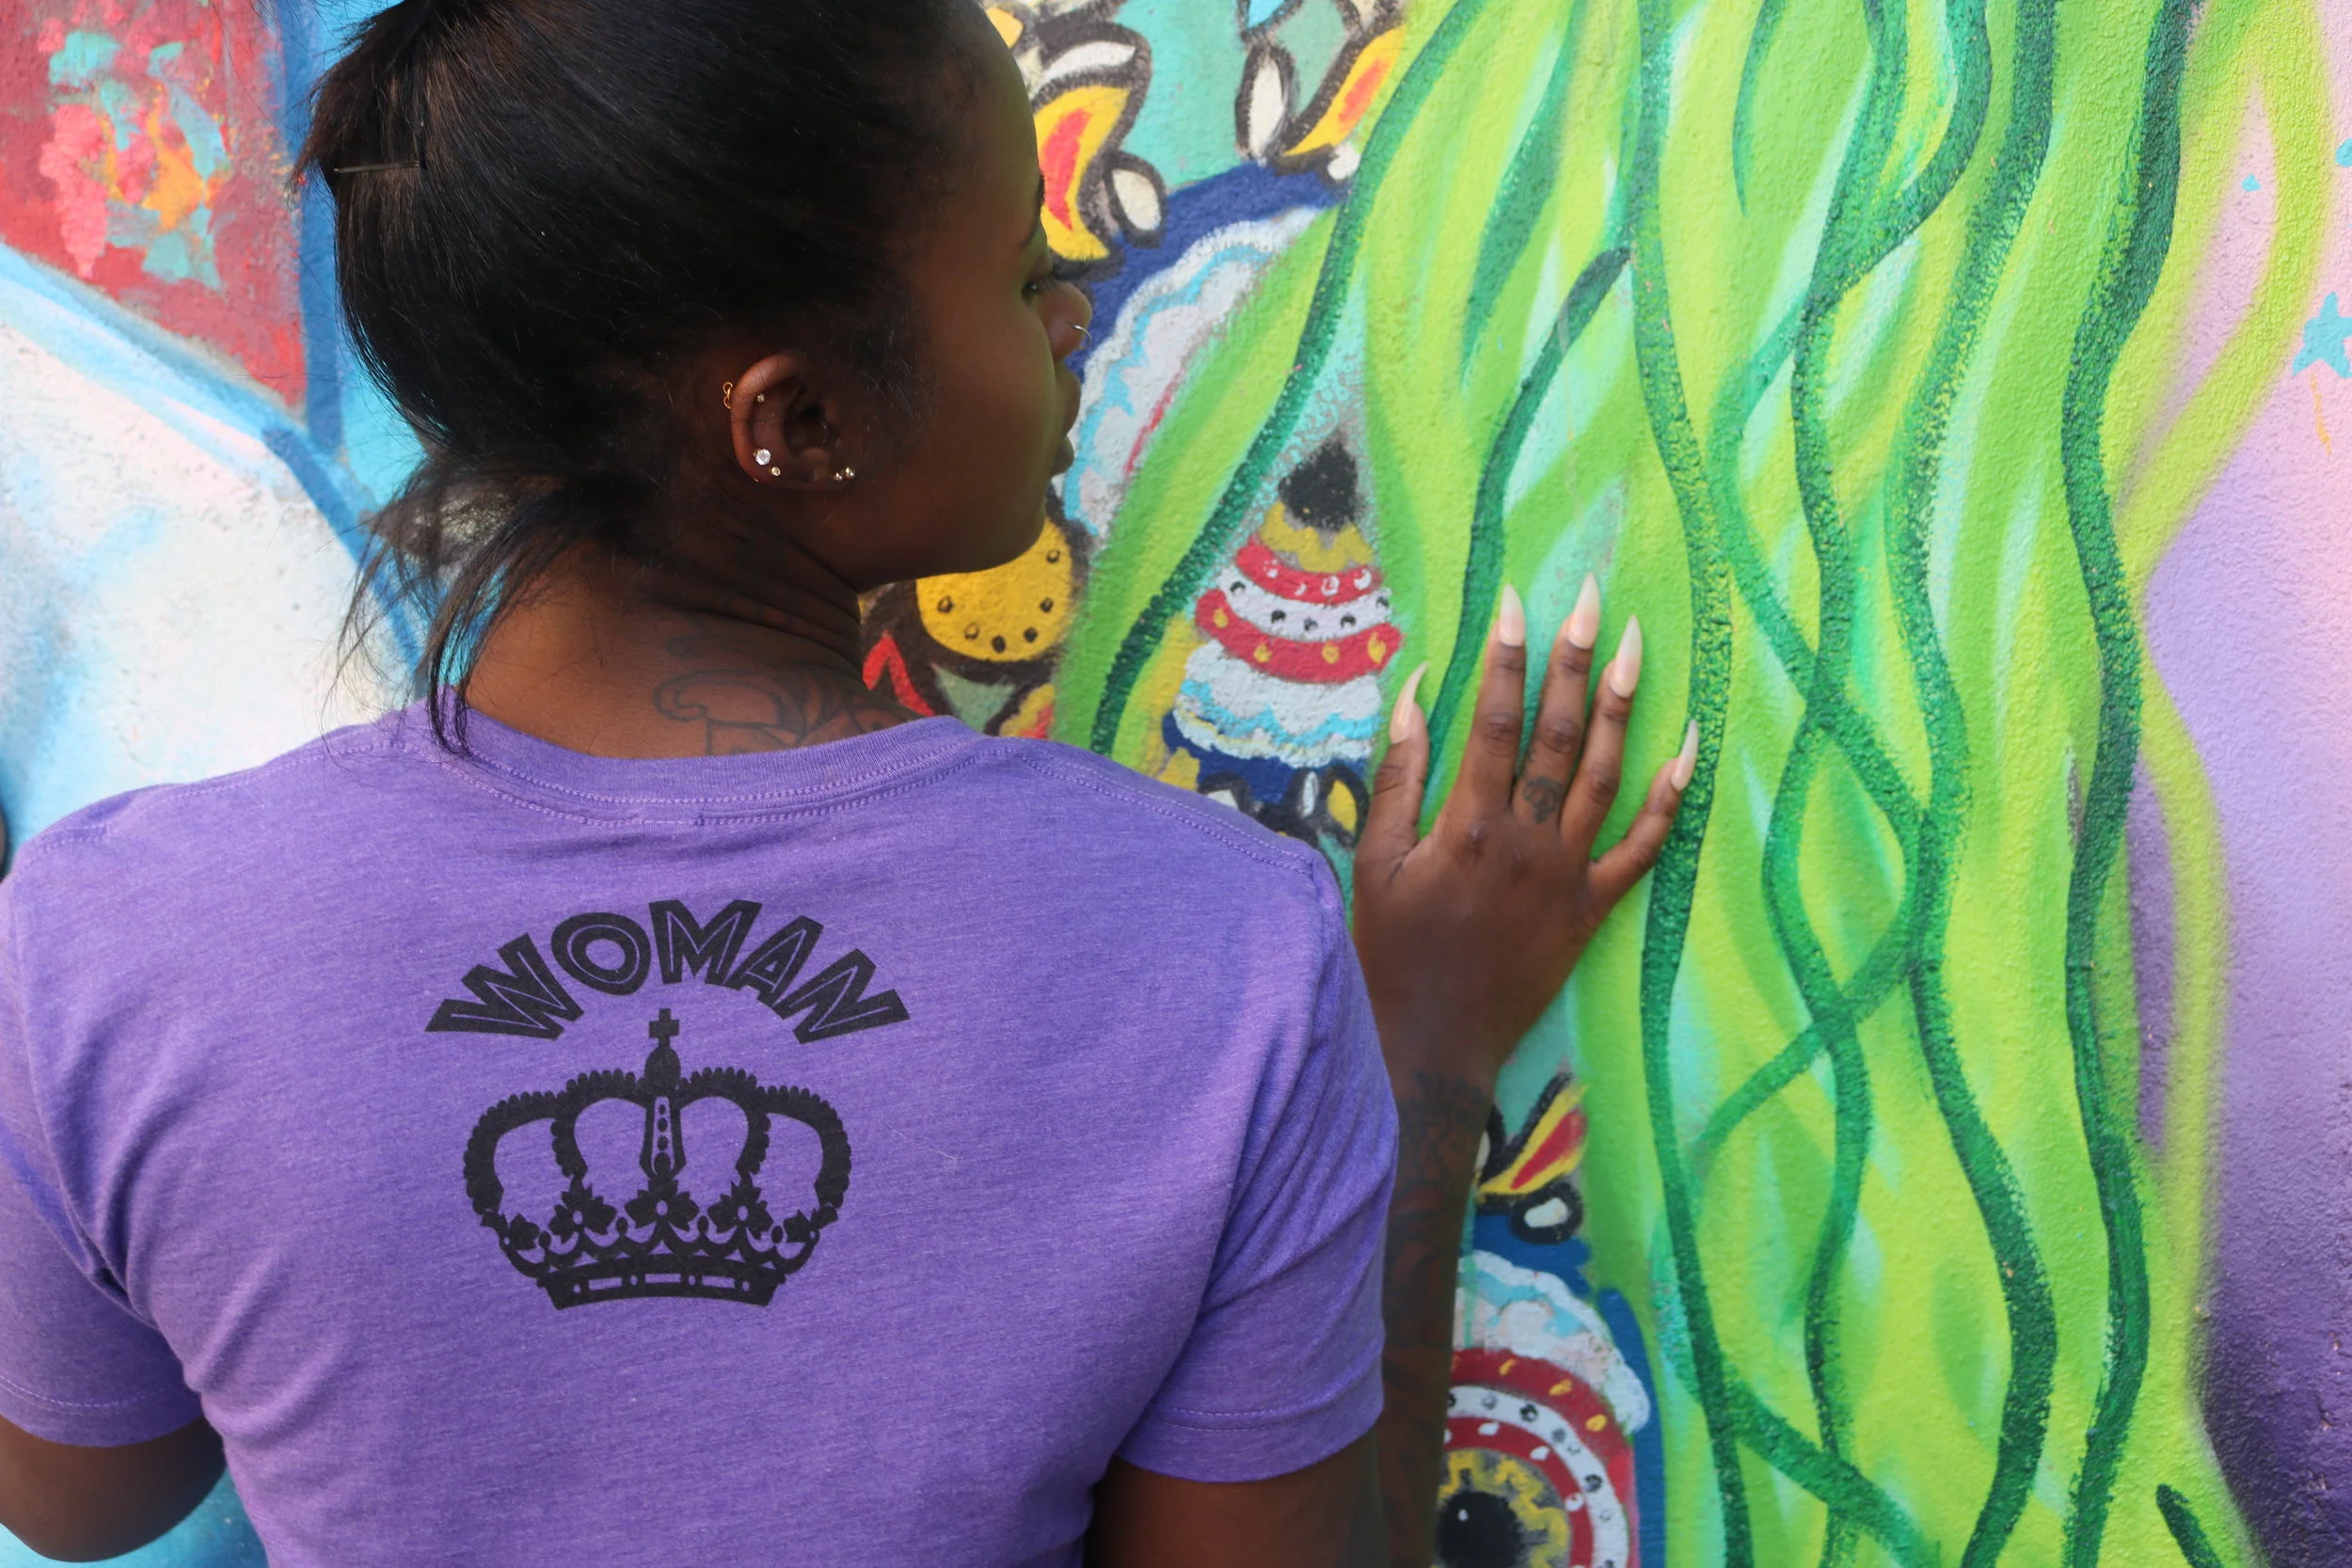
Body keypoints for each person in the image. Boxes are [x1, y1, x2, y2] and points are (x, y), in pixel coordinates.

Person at [0, 0, 1693, 1561]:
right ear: (797, 422)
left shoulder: (108, 948)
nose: (1074, 311)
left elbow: (80, 1490)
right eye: (1021, 271)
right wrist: (1421, 1052)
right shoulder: (1221, 955)